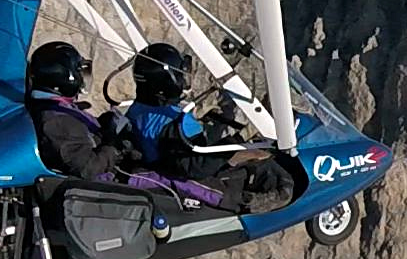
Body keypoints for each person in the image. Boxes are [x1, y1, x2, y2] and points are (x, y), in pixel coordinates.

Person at [122, 42, 298, 213]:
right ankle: (258, 210)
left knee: (255, 157)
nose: (184, 79)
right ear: (167, 83)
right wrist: (238, 139)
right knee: (274, 175)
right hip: (193, 175)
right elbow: (195, 167)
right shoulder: (171, 123)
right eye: (180, 75)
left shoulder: (139, 110)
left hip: (172, 163)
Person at [25, 41, 129, 180]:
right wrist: (111, 145)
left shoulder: (50, 107)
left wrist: (102, 124)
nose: (82, 77)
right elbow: (87, 168)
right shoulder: (57, 121)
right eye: (79, 70)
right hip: (100, 185)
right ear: (65, 76)